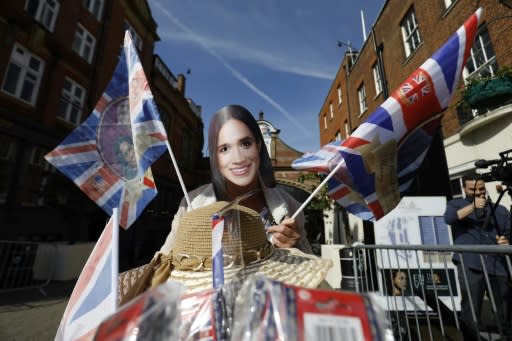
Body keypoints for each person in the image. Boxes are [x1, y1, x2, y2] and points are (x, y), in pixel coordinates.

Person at [159, 104, 312, 254]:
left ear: (258, 146)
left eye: (245, 144)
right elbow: (161, 267)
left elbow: (313, 271)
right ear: (215, 157)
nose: (238, 159)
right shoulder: (190, 205)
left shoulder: (292, 208)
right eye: (224, 149)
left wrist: (295, 250)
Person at [444, 172, 510, 339]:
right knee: (471, 309)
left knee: (503, 308)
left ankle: (502, 336)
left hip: (496, 264)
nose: (478, 192)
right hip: (470, 263)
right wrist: (473, 206)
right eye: (473, 189)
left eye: (481, 188)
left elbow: (510, 232)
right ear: (464, 188)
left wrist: (506, 241)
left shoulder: (499, 210)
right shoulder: (456, 204)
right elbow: (449, 218)